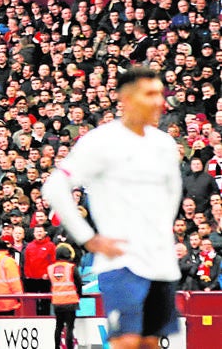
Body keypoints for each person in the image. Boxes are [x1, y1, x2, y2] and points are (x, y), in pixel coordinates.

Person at [42, 66, 182, 349]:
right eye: (150, 94)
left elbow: (172, 194)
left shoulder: (164, 144)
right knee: (127, 342)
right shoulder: (101, 141)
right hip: (122, 262)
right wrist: (88, 238)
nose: (158, 101)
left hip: (161, 262)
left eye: (159, 94)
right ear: (127, 99)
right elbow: (54, 187)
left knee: (151, 343)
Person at [49, 244, 83, 349]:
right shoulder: (71, 267)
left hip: (57, 302)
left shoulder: (51, 268)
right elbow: (78, 283)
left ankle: (56, 347)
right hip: (70, 302)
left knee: (58, 327)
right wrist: (79, 296)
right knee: (69, 327)